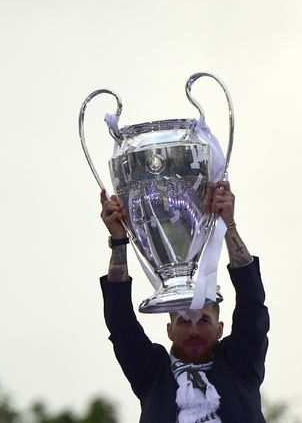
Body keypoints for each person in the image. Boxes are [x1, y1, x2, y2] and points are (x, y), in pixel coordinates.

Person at [98, 180, 270, 423]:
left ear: (220, 328)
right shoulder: (152, 373)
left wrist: (228, 225)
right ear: (169, 330)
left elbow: (252, 305)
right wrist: (118, 240)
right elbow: (121, 323)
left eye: (204, 321)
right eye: (184, 322)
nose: (194, 331)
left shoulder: (240, 362)